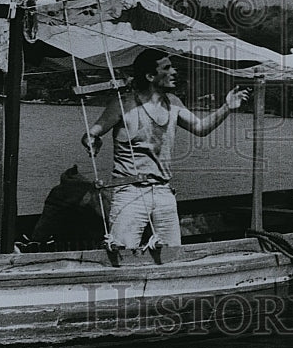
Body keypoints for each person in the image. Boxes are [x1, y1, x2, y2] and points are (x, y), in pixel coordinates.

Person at [82, 49, 248, 251]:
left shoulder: (174, 103)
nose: (174, 72)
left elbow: (200, 128)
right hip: (130, 191)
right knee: (122, 254)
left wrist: (227, 107)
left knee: (172, 254)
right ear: (150, 76)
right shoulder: (124, 105)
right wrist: (92, 140)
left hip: (163, 191)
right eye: (167, 68)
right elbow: (92, 133)